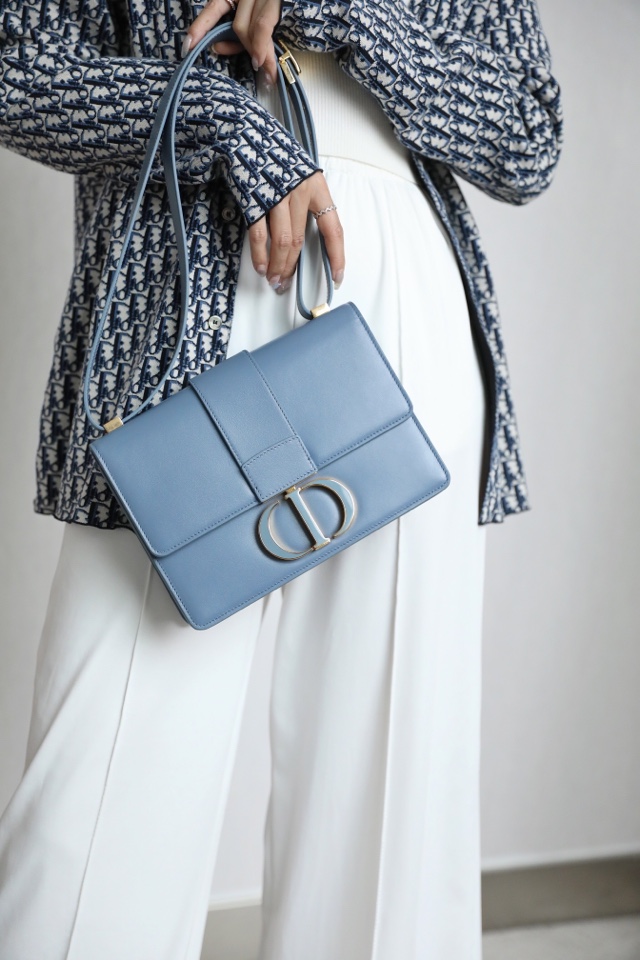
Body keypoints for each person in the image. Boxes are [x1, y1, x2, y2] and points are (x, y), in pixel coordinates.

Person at [0, 0, 563, 957]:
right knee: (103, 796)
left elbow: (528, 135)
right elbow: (17, 70)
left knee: (389, 804)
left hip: (403, 320)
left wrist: (349, 16)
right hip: (178, 295)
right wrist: (219, 120)